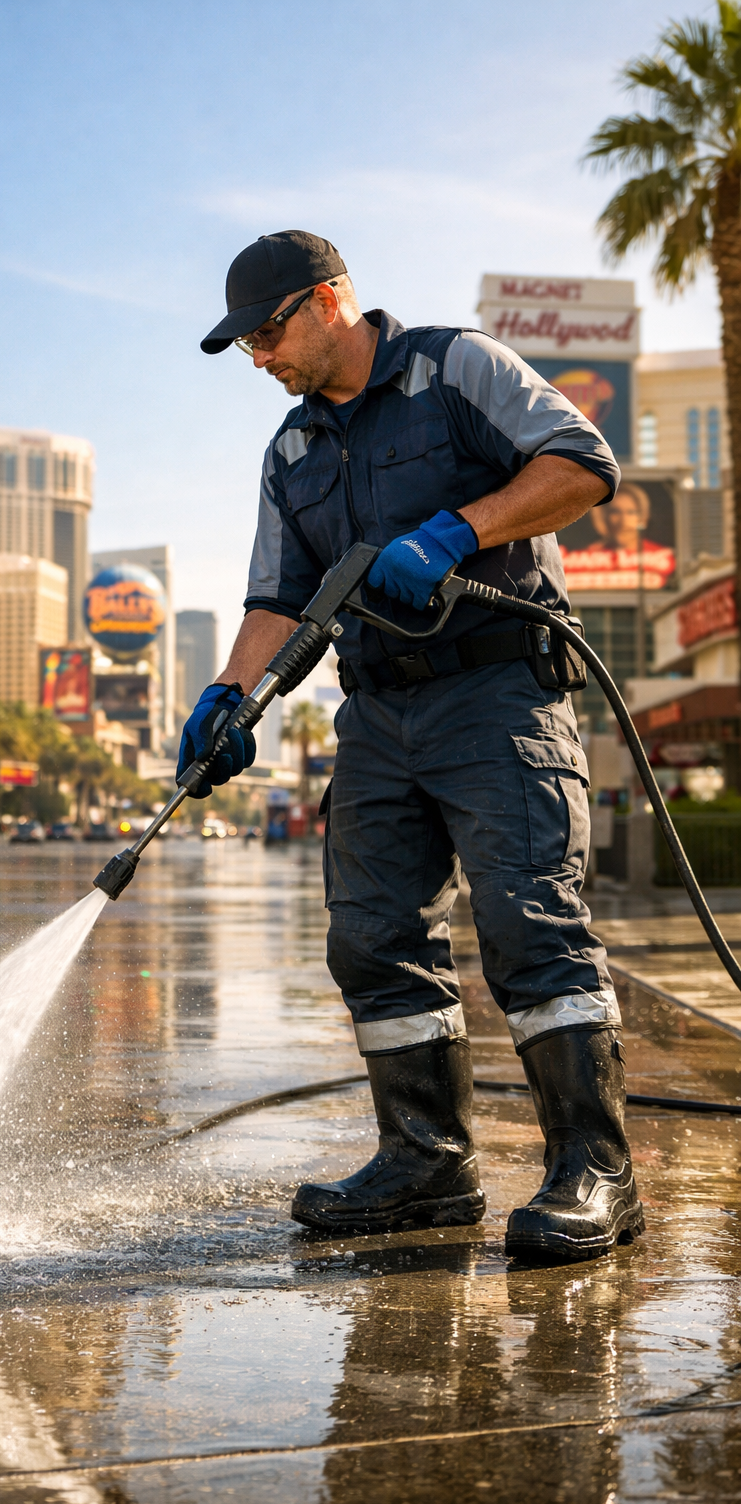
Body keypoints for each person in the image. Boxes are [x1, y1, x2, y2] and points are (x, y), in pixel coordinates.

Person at [179, 230, 644, 1262]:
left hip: (496, 692)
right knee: (371, 935)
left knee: (528, 924)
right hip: (377, 713)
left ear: (330, 300)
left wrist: (454, 532)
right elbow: (277, 599)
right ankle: (426, 1164)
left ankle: (596, 1171)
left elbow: (581, 463)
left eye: (268, 333)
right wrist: (224, 697)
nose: (260, 360)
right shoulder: (291, 452)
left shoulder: (453, 368)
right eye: (246, 345)